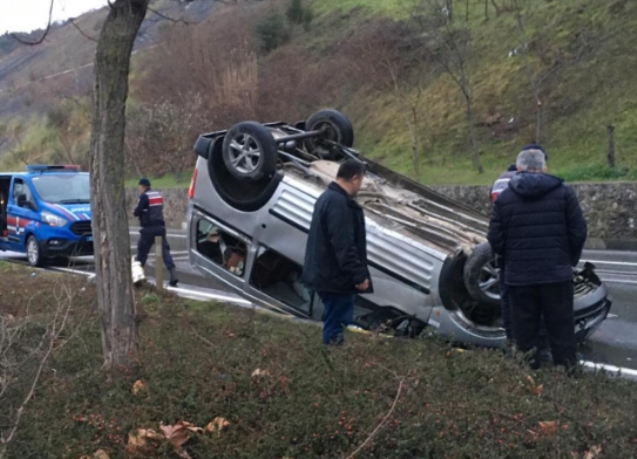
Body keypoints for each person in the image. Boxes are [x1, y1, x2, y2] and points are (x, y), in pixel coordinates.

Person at [487, 148, 587, 370]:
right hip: (556, 275)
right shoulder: (564, 193)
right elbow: (578, 231)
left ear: (518, 169)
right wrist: (567, 260)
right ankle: (568, 377)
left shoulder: (505, 199)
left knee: (524, 332)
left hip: (519, 277)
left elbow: (495, 237)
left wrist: (509, 260)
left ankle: (530, 379)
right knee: (562, 330)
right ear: (544, 168)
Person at [302, 159, 373, 345]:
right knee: (337, 324)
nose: (361, 186)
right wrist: (358, 275)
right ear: (355, 178)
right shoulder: (338, 203)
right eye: (362, 181)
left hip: (326, 275)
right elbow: (343, 244)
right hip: (334, 279)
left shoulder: (327, 198)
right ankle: (333, 366)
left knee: (333, 319)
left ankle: (332, 362)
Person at [490, 145, 550, 357]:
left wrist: (504, 254)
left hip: (511, 259)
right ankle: (541, 348)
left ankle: (514, 344)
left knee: (510, 303)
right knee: (542, 304)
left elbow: (495, 229)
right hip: (544, 260)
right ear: (542, 166)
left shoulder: (498, 184)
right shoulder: (551, 187)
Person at [133, 178, 179, 287]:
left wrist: (138, 213)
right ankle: (173, 274)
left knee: (142, 252)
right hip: (160, 228)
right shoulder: (158, 195)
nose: (139, 189)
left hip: (148, 229)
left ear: (142, 186)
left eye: (139, 187)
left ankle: (138, 278)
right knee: (164, 251)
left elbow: (137, 211)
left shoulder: (144, 196)